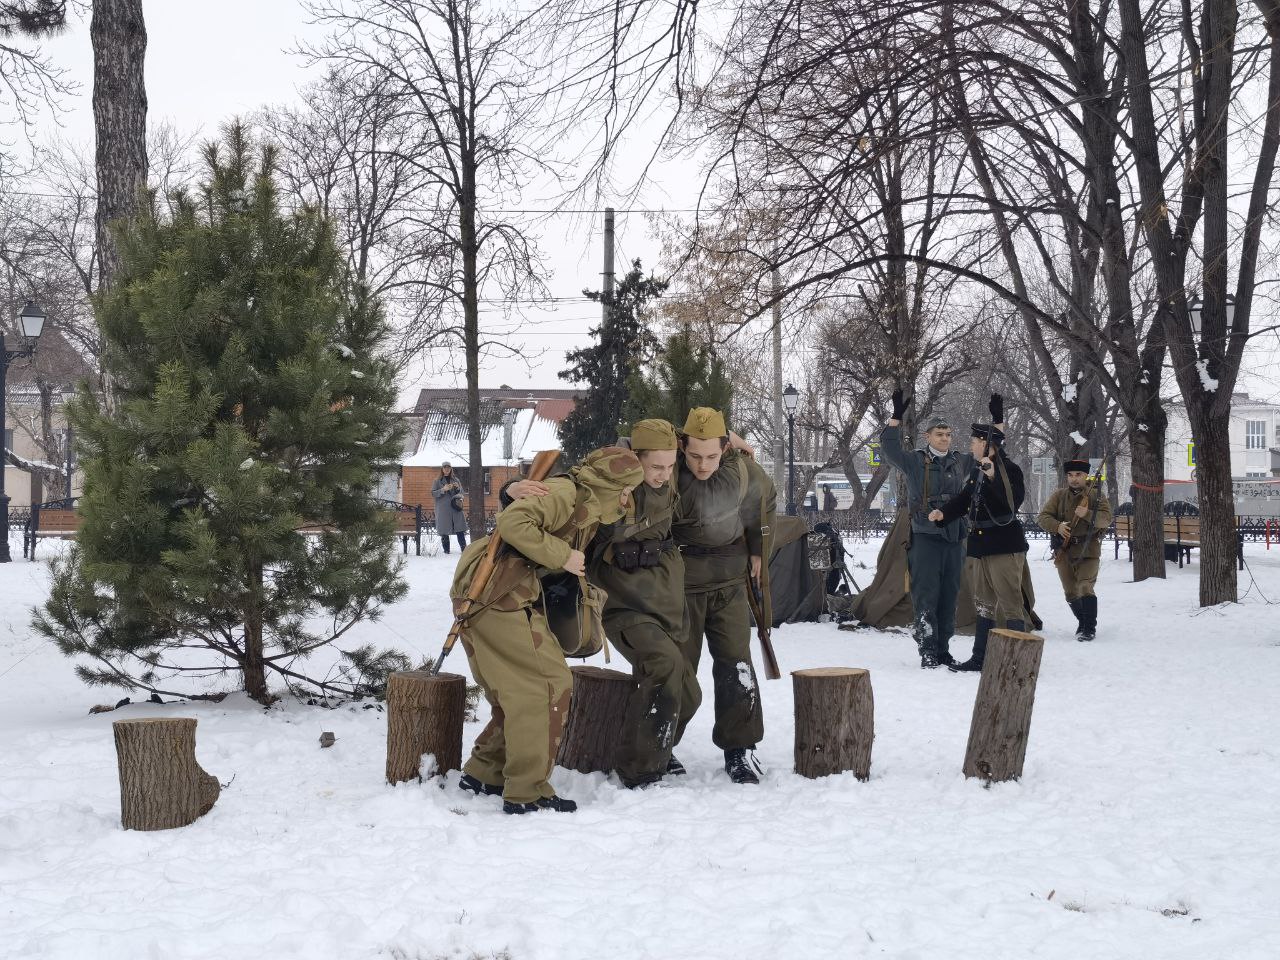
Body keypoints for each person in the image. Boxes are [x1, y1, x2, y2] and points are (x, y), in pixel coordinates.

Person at [451, 446, 643, 814]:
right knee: (547, 686)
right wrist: (564, 556)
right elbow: (514, 523)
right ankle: (527, 790)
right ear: (611, 482)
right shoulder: (564, 494)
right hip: (499, 594)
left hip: (502, 593)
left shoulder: (586, 499)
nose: (627, 497)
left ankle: (485, 772)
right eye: (625, 488)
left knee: (523, 689)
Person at [587, 419, 702, 788]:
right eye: (656, 467)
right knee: (663, 666)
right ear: (635, 458)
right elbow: (561, 493)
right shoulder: (610, 485)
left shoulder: (667, 479)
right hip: (621, 603)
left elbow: (708, 443)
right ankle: (638, 769)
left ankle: (659, 749)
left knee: (689, 695)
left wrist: (733, 440)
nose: (665, 474)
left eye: (671, 466)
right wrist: (512, 489)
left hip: (662, 600)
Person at [672, 407, 777, 784]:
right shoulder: (666, 465)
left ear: (725, 449)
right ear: (681, 446)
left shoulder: (743, 470)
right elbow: (628, 448)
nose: (703, 465)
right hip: (681, 586)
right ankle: (661, 745)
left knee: (736, 666)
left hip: (728, 583)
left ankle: (741, 748)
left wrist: (756, 550)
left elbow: (764, 504)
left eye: (713, 456)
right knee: (675, 669)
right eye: (695, 456)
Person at [880, 391, 1004, 667]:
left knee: (950, 597)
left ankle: (943, 648)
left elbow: (991, 449)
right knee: (926, 596)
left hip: (954, 536)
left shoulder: (960, 461)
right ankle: (927, 650)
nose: (945, 438)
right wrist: (896, 418)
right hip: (925, 536)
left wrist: (997, 420)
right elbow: (889, 450)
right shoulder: (914, 461)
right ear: (928, 437)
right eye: (939, 434)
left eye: (948, 434)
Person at [927, 419, 1029, 672]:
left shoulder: (1009, 470)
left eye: (974, 442)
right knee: (983, 603)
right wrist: (944, 514)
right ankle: (980, 658)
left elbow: (1012, 502)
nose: (971, 446)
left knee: (1010, 603)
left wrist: (993, 474)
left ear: (986, 445)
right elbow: (964, 499)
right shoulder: (976, 470)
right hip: (980, 544)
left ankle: (1017, 661)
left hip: (1004, 544)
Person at [1037, 460, 1112, 641]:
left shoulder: (1097, 496)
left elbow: (1106, 519)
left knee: (1085, 586)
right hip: (1065, 552)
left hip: (1088, 550)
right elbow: (1042, 517)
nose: (1074, 479)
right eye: (1070, 475)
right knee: (1070, 592)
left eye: (1078, 475)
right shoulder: (1059, 496)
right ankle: (1082, 622)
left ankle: (1089, 629)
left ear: (1086, 476)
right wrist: (1057, 526)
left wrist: (1086, 513)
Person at [432, 462, 468, 554]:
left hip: (455, 507)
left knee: (459, 529)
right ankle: (446, 551)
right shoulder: (437, 481)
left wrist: (457, 488)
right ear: (442, 469)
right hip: (443, 509)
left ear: (451, 469)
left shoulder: (456, 479)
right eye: (445, 467)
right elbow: (433, 493)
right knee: (444, 530)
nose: (447, 469)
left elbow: (462, 493)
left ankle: (464, 550)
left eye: (448, 467)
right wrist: (443, 490)